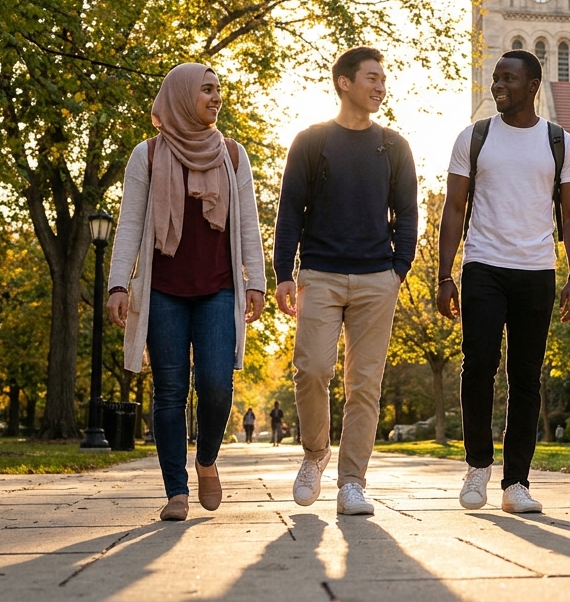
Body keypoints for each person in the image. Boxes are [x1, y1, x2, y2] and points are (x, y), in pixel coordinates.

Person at [106, 63, 267, 522]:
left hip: (217, 289)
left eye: (218, 90)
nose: (216, 98)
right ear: (179, 97)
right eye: (206, 90)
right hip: (163, 292)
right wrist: (119, 283)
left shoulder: (233, 156)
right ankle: (176, 491)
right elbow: (130, 224)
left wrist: (255, 280)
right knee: (170, 390)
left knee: (216, 384)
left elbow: (248, 226)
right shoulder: (148, 155)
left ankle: (207, 459)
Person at [437, 49, 570, 514]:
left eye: (508, 79)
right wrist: (445, 274)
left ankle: (516, 483)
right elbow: (455, 208)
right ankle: (477, 467)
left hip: (537, 270)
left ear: (533, 84)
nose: (498, 86)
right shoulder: (474, 138)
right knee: (478, 364)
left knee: (526, 378)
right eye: (495, 79)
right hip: (483, 265)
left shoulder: (561, 142)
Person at [274, 45, 418, 516]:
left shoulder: (394, 146)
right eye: (372, 78)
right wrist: (283, 274)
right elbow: (290, 211)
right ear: (345, 82)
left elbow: (408, 214)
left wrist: (399, 269)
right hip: (320, 273)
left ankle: (352, 482)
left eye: (383, 79)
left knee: (365, 385)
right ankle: (315, 455)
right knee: (312, 368)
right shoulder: (311, 141)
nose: (380, 87)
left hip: (378, 278)